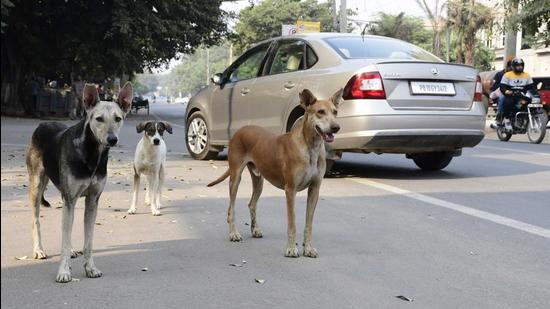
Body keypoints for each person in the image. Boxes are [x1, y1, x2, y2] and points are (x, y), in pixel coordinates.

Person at [499, 58, 536, 129]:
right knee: (508, 102)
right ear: (513, 66)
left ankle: (524, 119)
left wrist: (534, 93)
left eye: (521, 65)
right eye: (518, 66)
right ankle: (506, 119)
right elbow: (502, 87)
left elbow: (531, 87)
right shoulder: (507, 75)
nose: (520, 67)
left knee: (531, 104)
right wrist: (507, 91)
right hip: (511, 95)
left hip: (523, 96)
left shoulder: (527, 75)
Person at [490, 60, 512, 127]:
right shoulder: (499, 74)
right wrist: (502, 85)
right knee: (502, 98)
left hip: (511, 94)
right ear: (507, 67)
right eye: (511, 68)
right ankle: (499, 117)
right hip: (500, 94)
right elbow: (493, 87)